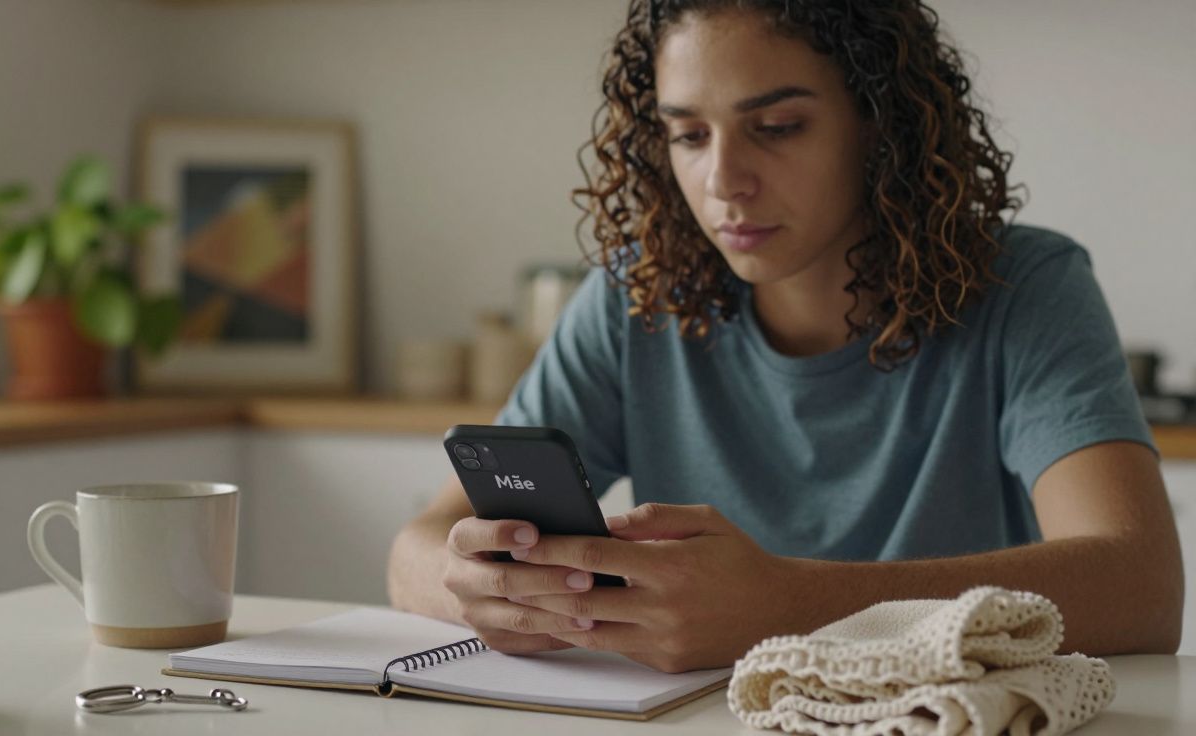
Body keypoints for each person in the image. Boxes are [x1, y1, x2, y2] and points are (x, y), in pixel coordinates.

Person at [387, 0, 1184, 673]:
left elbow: (1141, 584)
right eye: (689, 135)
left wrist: (787, 605)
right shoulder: (634, 300)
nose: (724, 180)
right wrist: (485, 585)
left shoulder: (1025, 287)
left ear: (879, 126)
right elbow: (416, 551)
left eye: (775, 126)